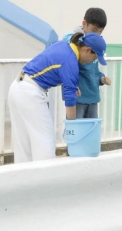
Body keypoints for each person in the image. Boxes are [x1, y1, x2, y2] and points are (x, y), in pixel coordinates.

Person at [8, 32, 107, 163]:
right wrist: (73, 126)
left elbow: (52, 64)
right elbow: (70, 100)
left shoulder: (63, 45)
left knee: (23, 144)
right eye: (94, 58)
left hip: (17, 86)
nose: (92, 62)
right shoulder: (71, 62)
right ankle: (47, 180)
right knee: (45, 142)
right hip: (30, 93)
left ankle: (23, 180)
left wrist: (69, 84)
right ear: (87, 50)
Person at [62, 8, 111, 118]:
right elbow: (67, 46)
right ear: (84, 24)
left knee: (91, 129)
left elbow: (94, 69)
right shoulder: (72, 39)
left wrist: (101, 78)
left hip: (92, 96)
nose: (97, 34)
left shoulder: (95, 44)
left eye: (100, 31)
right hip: (78, 96)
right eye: (94, 30)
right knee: (76, 129)